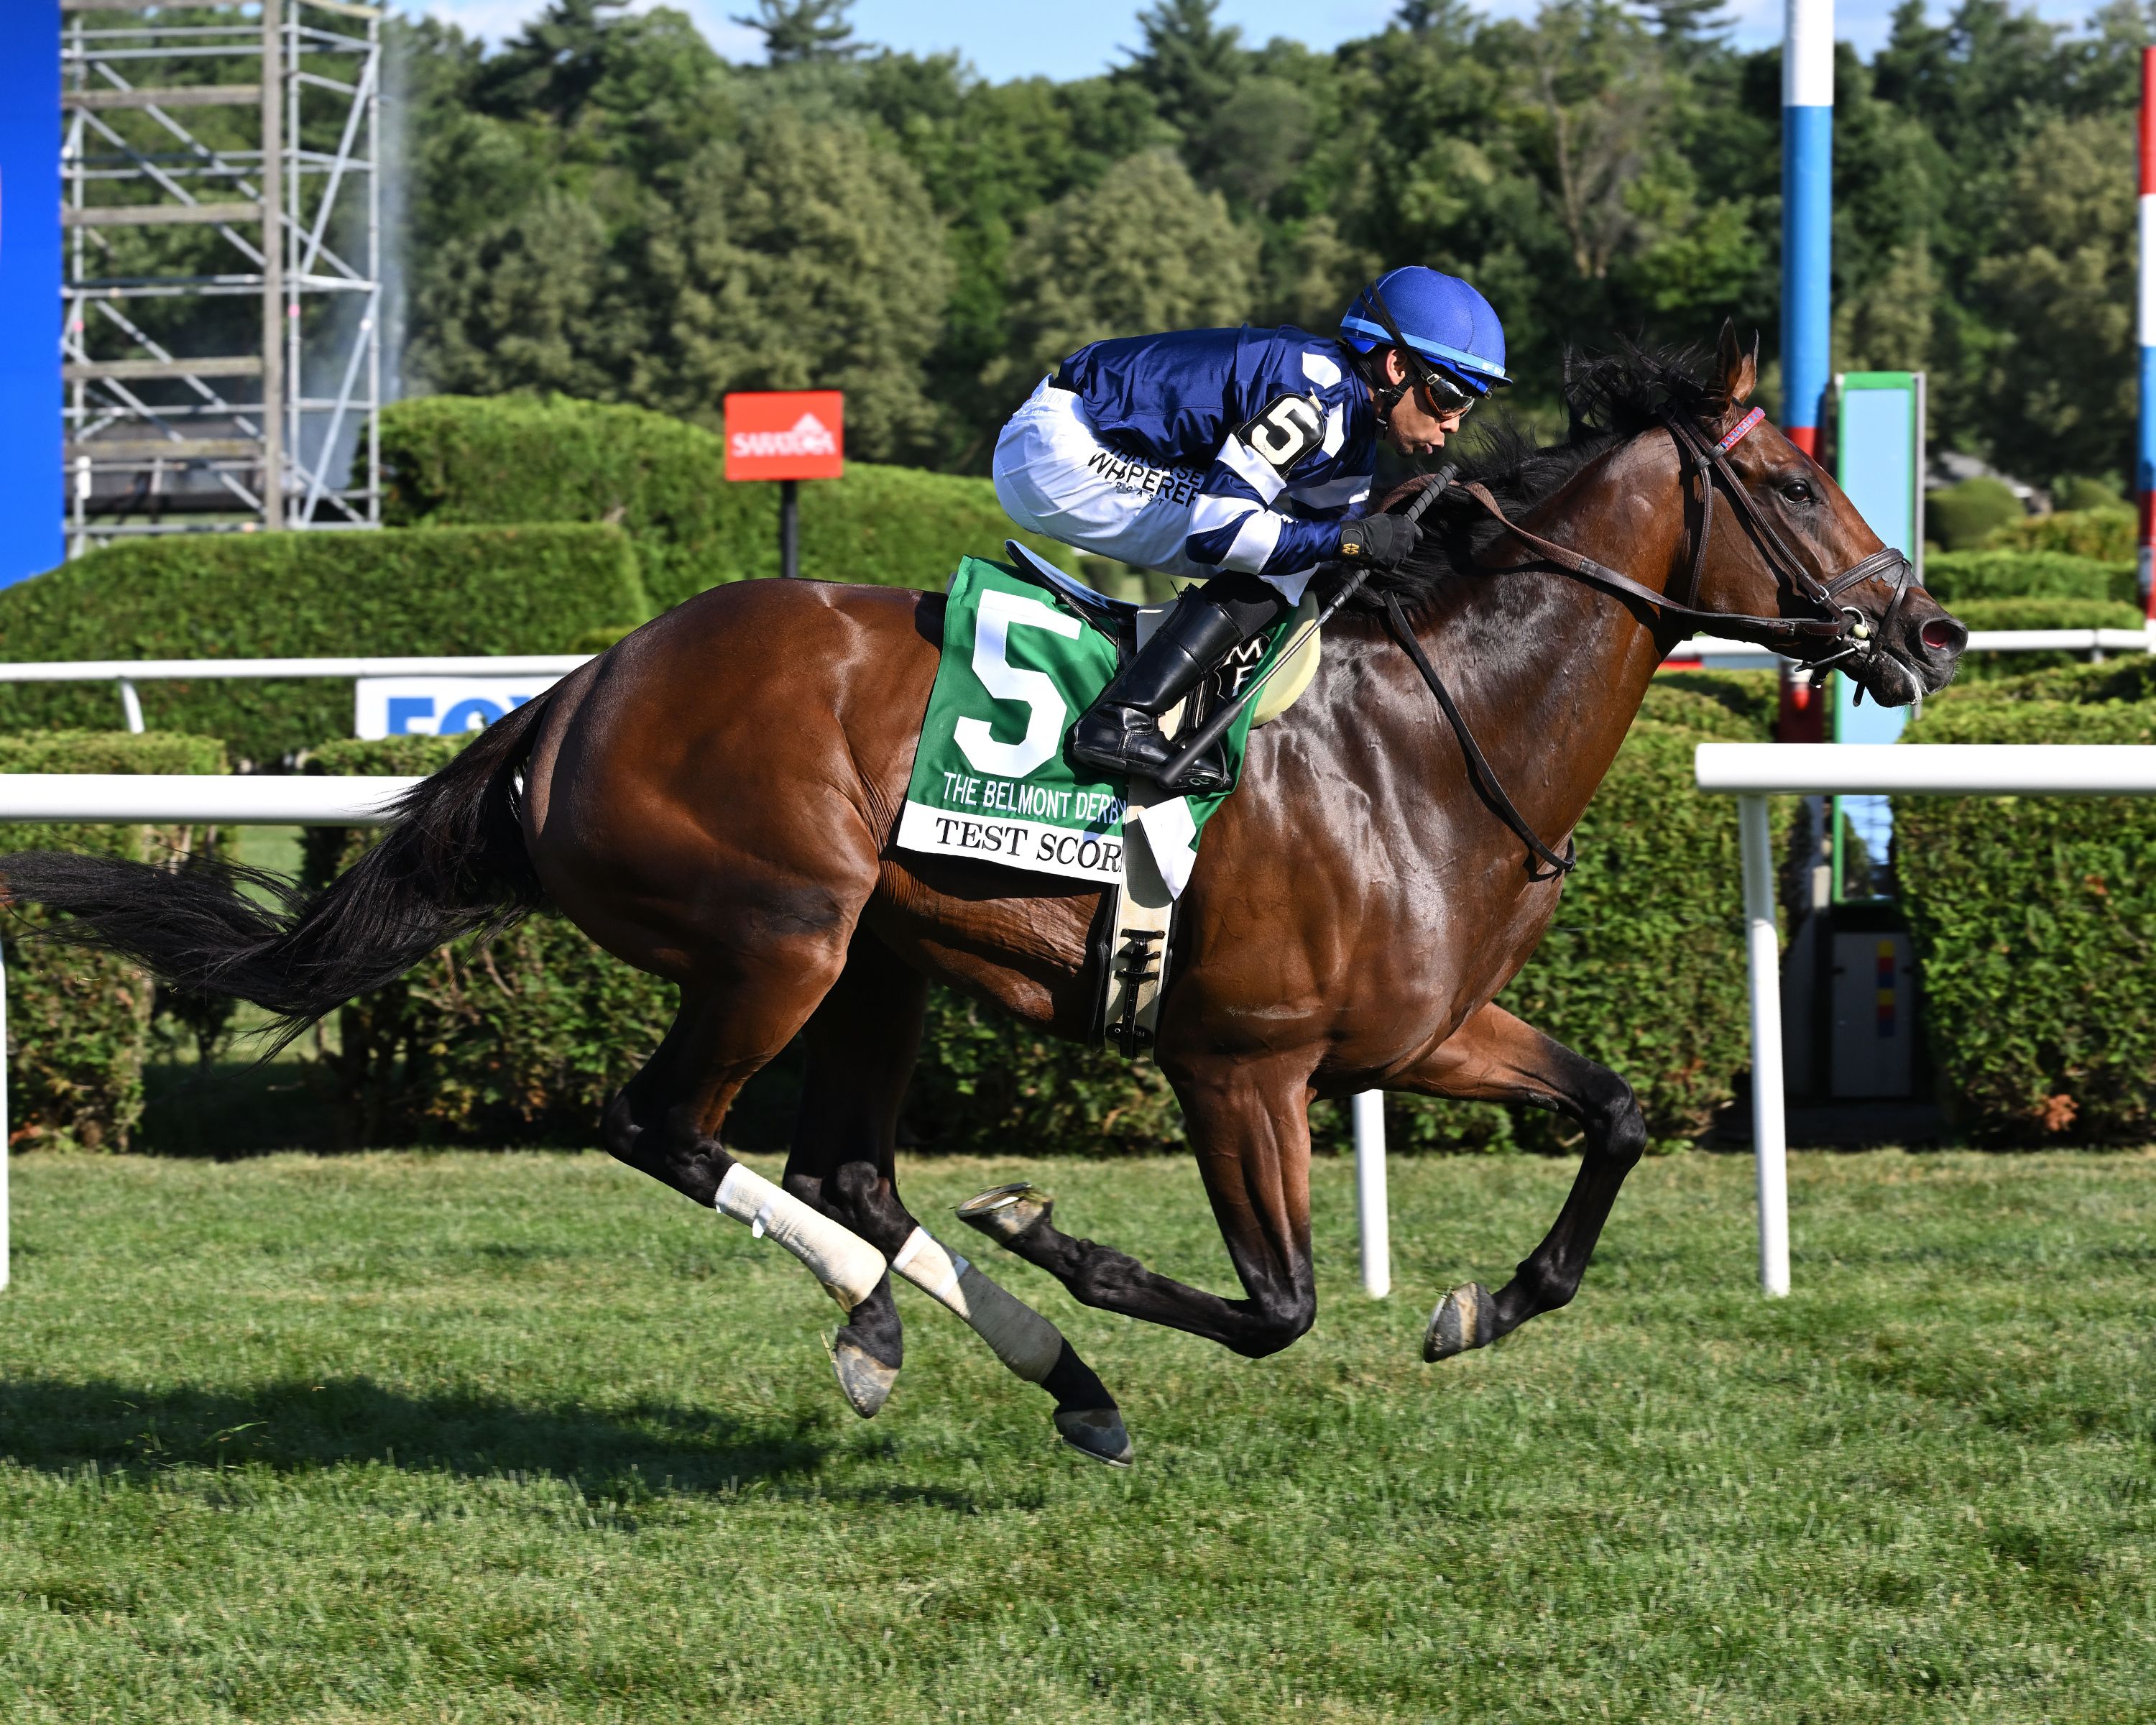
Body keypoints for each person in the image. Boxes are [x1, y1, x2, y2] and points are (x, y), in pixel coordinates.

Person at [992, 265, 1511, 794]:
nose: (1453, 425)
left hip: (1087, 440)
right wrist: (1352, 541)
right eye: (1449, 399)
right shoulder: (1313, 406)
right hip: (1062, 452)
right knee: (1279, 554)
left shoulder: (1350, 426)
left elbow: (1334, 539)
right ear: (1398, 366)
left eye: (1468, 406)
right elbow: (1221, 534)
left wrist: (1367, 541)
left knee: (1301, 553)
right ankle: (1122, 718)